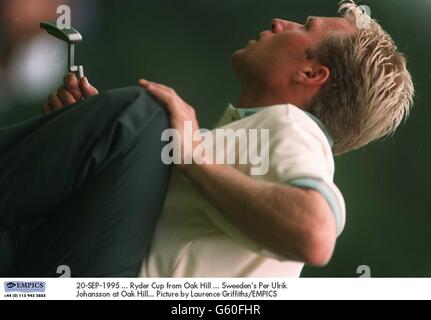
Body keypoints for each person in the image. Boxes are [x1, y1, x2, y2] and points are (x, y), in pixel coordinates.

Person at [0, 1, 413, 277]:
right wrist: (92, 133)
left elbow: (315, 235)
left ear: (310, 75)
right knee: (138, 123)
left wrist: (191, 154)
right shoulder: (250, 135)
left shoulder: (294, 128)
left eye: (304, 28)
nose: (279, 22)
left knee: (148, 114)